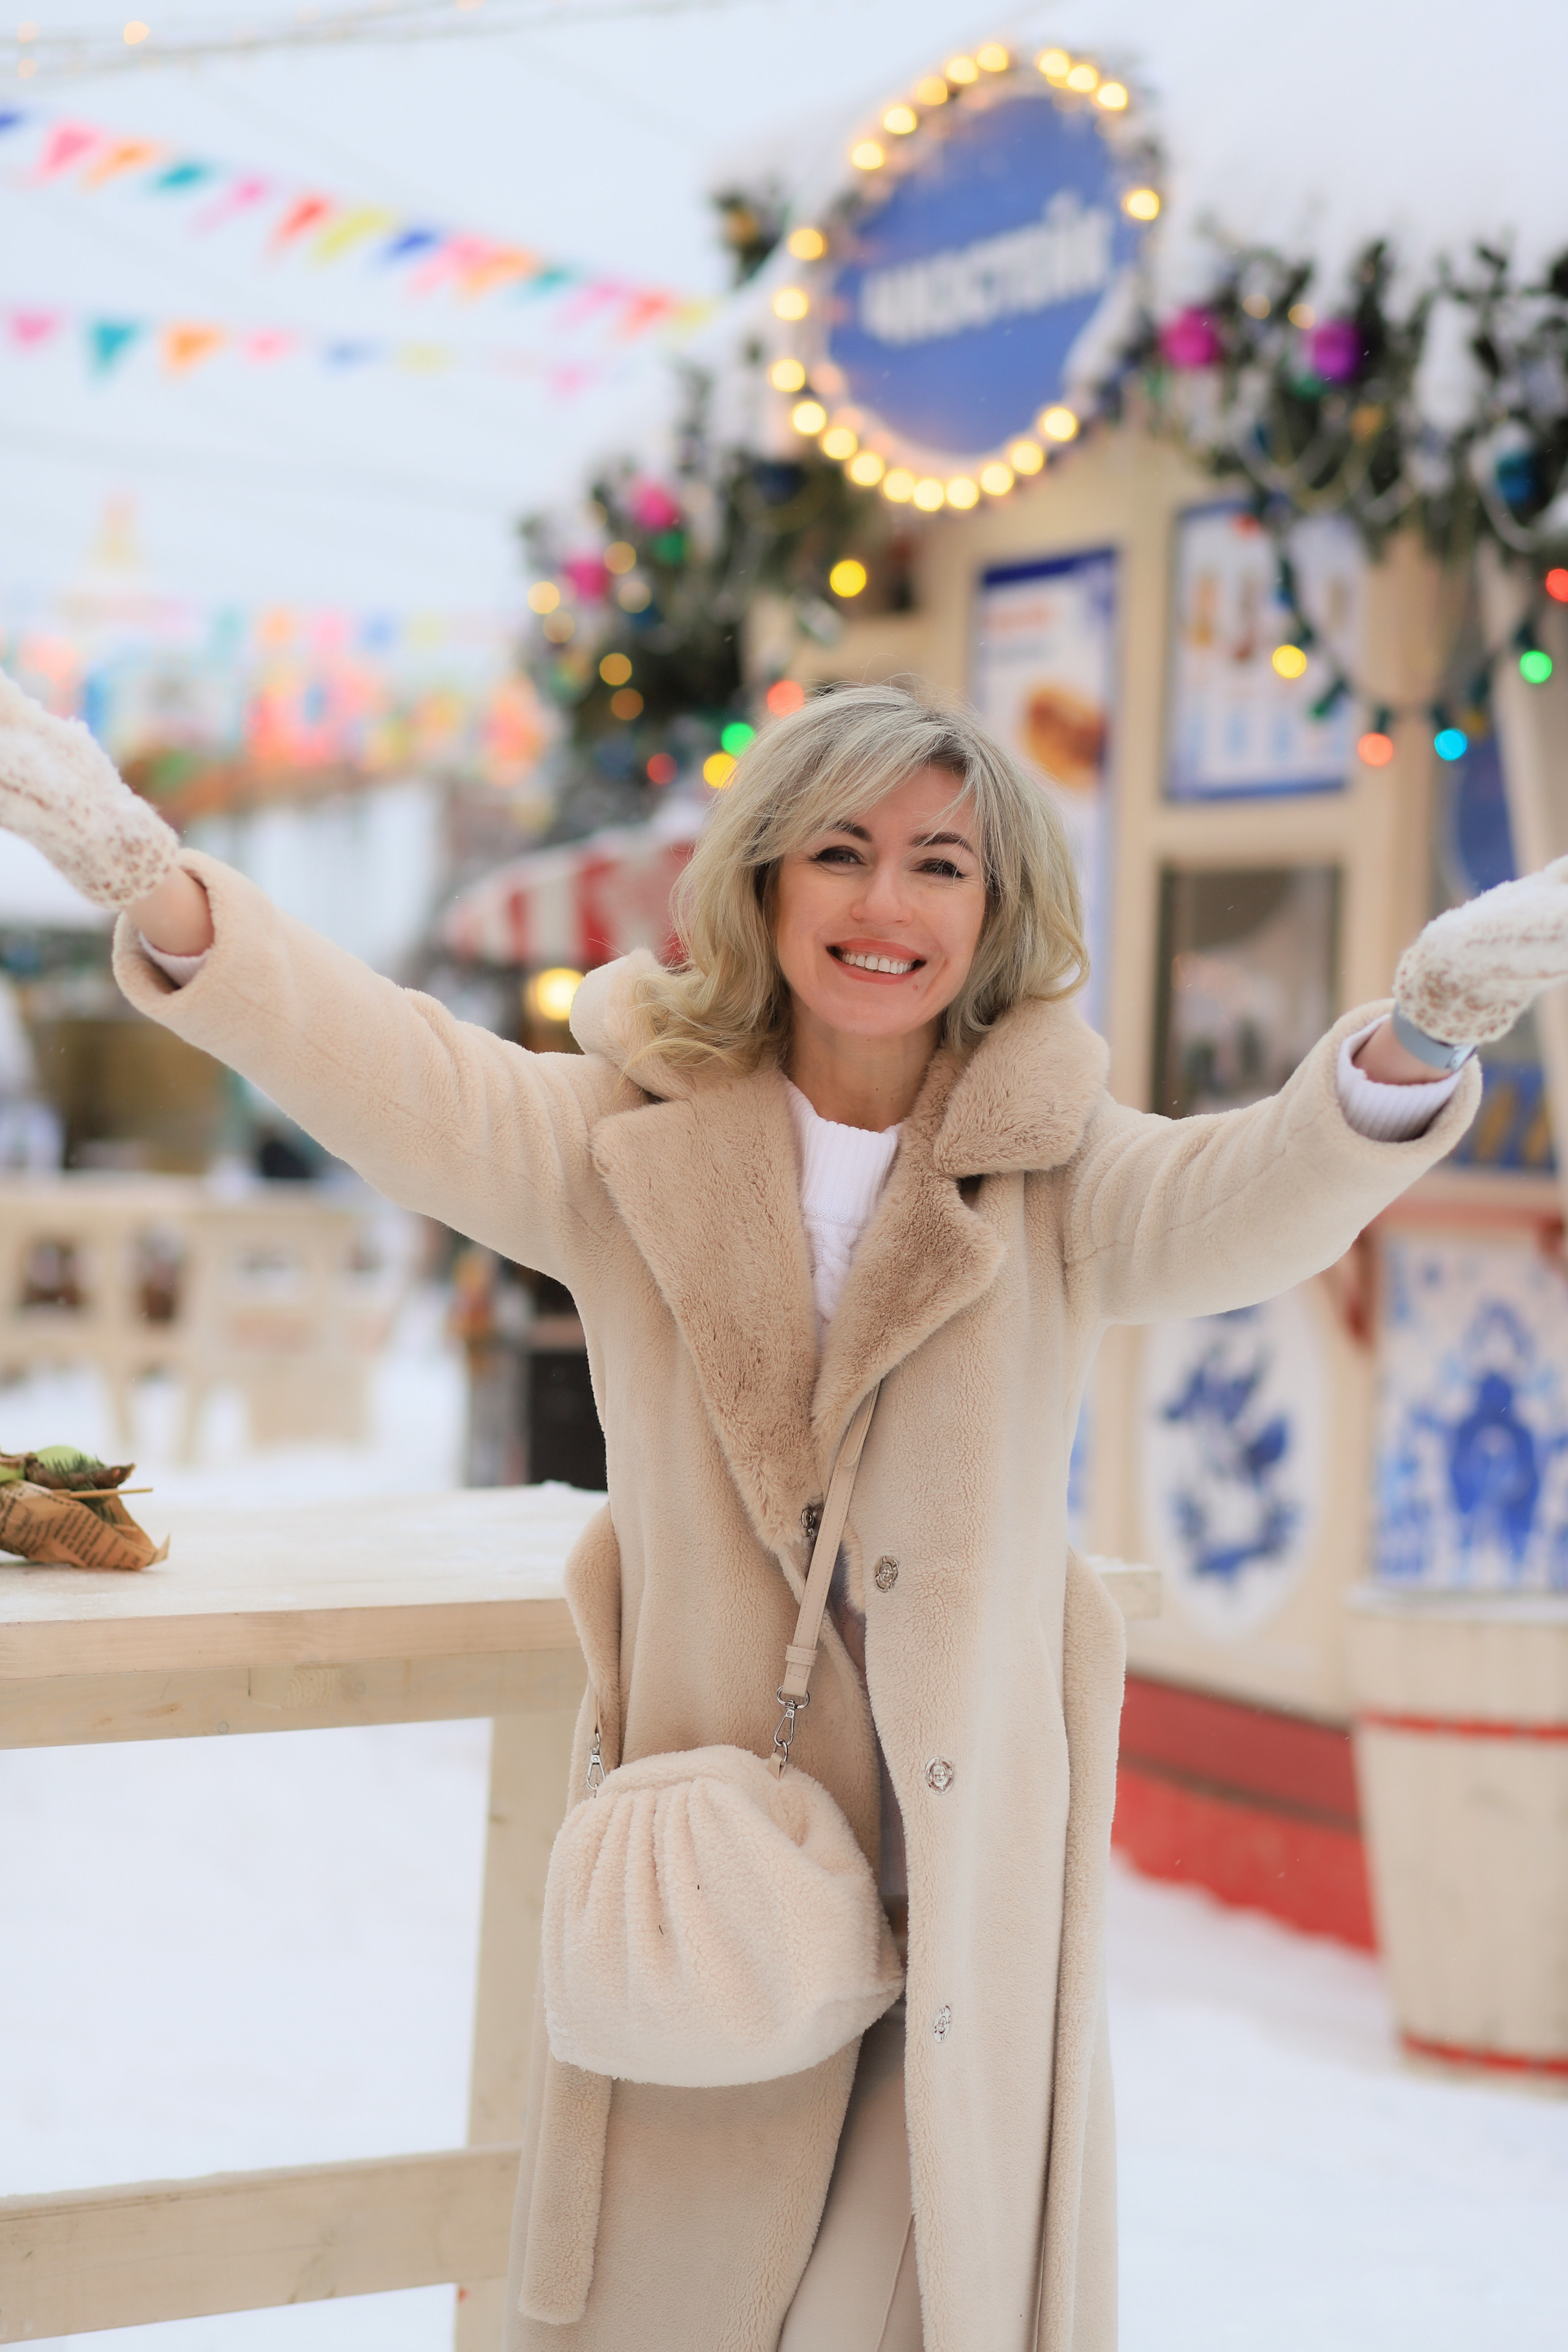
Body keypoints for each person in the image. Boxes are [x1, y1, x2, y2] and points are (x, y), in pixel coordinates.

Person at [2, 670, 1565, 2352]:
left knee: (918, 2300)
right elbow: (399, 1069)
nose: (886, 904)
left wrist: (1419, 1036)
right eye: (841, 850)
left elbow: (1247, 1198)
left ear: (998, 906)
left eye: (941, 864)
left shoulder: (1058, 1168)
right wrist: (148, 876)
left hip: (957, 1876)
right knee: (675, 2293)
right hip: (713, 1878)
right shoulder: (623, 1135)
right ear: (766, 881)